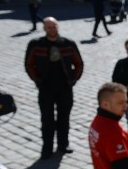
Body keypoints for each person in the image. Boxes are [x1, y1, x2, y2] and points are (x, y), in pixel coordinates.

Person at [25, 17, 84, 159]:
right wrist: (38, 81)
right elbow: (29, 65)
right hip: (46, 88)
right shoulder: (36, 44)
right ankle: (47, 148)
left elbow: (79, 64)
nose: (52, 30)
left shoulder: (68, 44)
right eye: (49, 27)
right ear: (44, 28)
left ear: (58, 27)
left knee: (64, 118)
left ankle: (63, 144)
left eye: (54, 27)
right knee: (47, 119)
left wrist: (72, 80)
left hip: (64, 87)